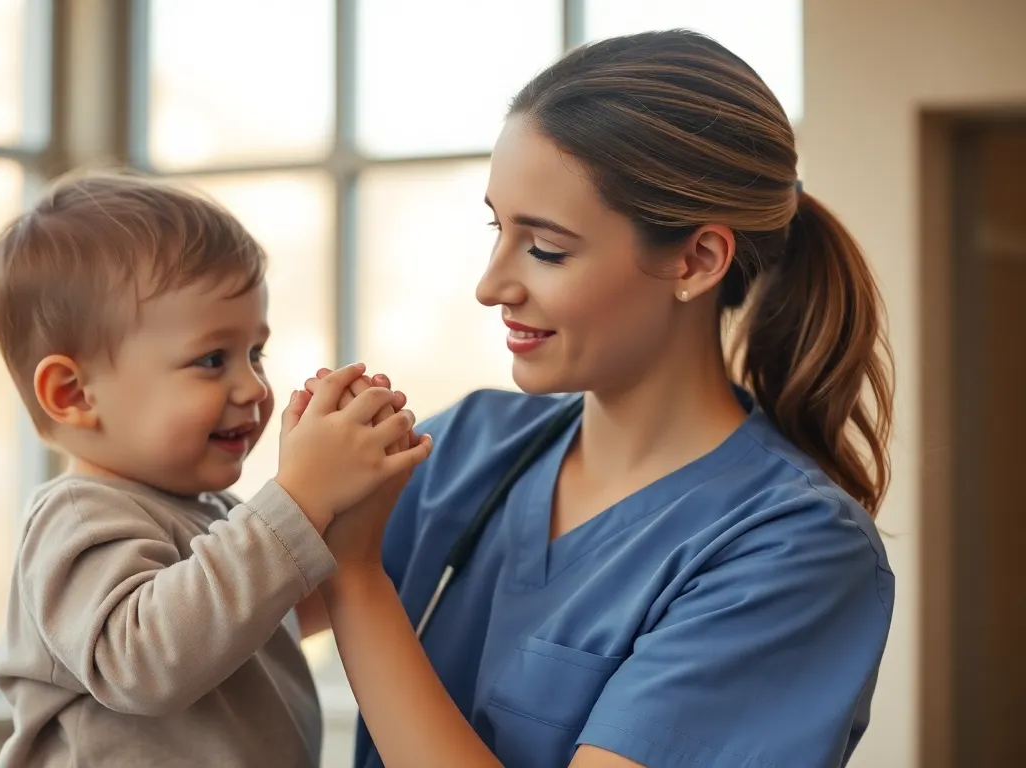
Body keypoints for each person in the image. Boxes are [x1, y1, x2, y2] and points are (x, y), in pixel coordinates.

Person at [300, 29, 896, 768]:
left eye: (546, 248)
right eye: (498, 228)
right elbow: (183, 622)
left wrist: (357, 579)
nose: (491, 286)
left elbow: (341, 580)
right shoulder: (461, 448)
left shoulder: (793, 551)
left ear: (697, 259)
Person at [0, 171, 431, 767]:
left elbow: (254, 618)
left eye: (255, 353)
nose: (252, 385)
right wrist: (296, 501)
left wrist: (353, 514)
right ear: (74, 394)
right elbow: (142, 661)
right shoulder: (78, 514)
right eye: (212, 359)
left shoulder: (212, 515)